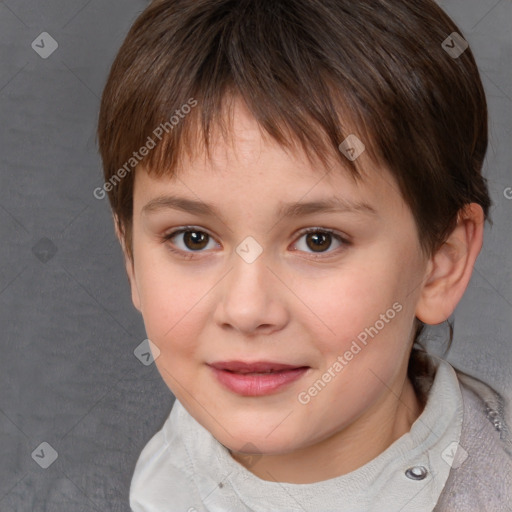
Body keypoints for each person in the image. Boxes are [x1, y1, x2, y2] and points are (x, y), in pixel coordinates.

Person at [96, 0, 512, 510]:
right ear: (132, 260)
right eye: (193, 238)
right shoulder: (164, 474)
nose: (246, 310)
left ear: (440, 264)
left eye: (319, 240)